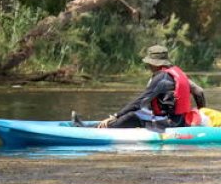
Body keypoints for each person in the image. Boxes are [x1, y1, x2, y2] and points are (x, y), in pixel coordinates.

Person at [73, 44, 206, 129]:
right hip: (180, 120)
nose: (147, 66)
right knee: (138, 114)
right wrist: (202, 113)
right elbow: (199, 92)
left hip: (170, 124)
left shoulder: (162, 78)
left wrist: (117, 115)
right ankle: (94, 125)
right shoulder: (177, 73)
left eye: (148, 63)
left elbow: (140, 101)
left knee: (133, 116)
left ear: (153, 63)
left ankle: (91, 129)